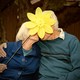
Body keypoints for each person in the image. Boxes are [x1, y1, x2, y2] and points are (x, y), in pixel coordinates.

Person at [0, 7, 80, 80]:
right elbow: (23, 45)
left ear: (51, 26)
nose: (38, 32)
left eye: (42, 28)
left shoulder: (71, 41)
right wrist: (3, 46)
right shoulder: (38, 41)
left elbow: (78, 70)